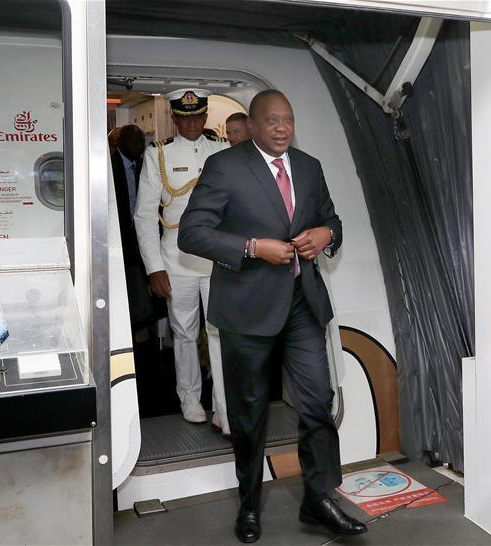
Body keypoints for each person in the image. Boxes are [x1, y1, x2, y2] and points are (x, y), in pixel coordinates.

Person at [179, 89, 367, 543]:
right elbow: (191, 233)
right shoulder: (225, 166)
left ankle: (318, 498)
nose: (282, 128)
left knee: (318, 401)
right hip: (247, 308)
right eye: (272, 120)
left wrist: (326, 235)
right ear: (252, 124)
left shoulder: (309, 166)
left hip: (302, 303)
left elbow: (333, 221)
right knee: (249, 414)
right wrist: (251, 247)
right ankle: (249, 503)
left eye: (288, 119)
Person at [134, 88, 230, 432]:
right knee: (185, 332)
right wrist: (154, 268)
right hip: (176, 258)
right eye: (184, 117)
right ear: (174, 118)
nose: (192, 123)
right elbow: (145, 215)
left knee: (220, 332)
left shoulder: (222, 150)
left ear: (205, 116)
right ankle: (189, 398)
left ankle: (224, 408)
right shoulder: (157, 154)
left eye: (197, 116)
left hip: (218, 259)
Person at [110, 124, 165, 333]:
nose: (140, 146)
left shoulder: (146, 166)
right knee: (124, 288)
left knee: (144, 289)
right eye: (135, 142)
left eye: (142, 142)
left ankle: (144, 329)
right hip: (118, 239)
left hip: (143, 238)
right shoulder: (108, 166)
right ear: (121, 143)